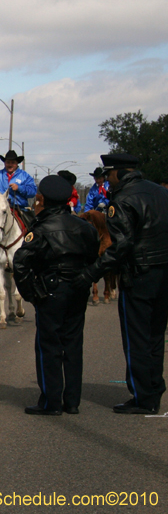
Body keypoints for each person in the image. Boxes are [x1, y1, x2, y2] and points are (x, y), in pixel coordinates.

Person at [72, 153, 168, 414]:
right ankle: (154, 387)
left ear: (121, 173)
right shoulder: (160, 192)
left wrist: (90, 274)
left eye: (109, 174)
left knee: (136, 338)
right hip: (163, 273)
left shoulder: (123, 199)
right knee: (156, 336)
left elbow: (120, 247)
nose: (107, 179)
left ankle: (142, 397)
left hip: (138, 275)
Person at [13, 176, 99, 415]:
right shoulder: (85, 227)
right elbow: (95, 258)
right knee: (73, 344)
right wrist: (86, 277)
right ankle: (72, 401)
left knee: (49, 345)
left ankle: (51, 402)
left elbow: (20, 263)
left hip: (51, 289)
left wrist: (31, 294)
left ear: (43, 200)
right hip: (78, 288)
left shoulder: (40, 230)